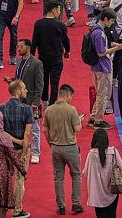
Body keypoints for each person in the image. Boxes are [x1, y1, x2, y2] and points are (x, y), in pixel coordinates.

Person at [42, 84, 84, 215]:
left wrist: (51, 144)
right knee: (76, 175)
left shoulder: (49, 110)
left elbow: (45, 130)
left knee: (58, 178)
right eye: (71, 96)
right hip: (70, 147)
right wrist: (79, 121)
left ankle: (61, 206)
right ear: (68, 95)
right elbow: (77, 129)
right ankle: (76, 203)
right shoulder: (72, 110)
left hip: (55, 147)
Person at [0, 80, 34, 217]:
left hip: (5, 150)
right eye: (24, 88)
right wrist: (24, 152)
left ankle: (3, 209)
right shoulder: (27, 109)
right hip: (20, 150)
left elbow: (0, 131)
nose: (26, 91)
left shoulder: (1, 108)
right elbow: (27, 134)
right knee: (19, 180)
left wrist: (12, 140)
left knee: (5, 179)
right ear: (18, 91)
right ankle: (17, 210)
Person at [31, 1, 71, 105]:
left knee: (43, 80)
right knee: (55, 82)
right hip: (56, 58)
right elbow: (66, 41)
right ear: (53, 10)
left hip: (42, 57)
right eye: (59, 10)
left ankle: (44, 100)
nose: (59, 12)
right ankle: (52, 103)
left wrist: (31, 56)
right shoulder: (60, 25)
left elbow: (34, 41)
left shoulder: (38, 24)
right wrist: (67, 51)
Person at [87, 9, 121, 130]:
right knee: (104, 93)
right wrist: (116, 48)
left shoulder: (95, 30)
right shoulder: (99, 33)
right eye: (111, 21)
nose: (112, 23)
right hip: (102, 67)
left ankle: (94, 117)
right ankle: (98, 120)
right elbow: (101, 52)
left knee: (100, 93)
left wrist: (113, 45)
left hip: (96, 66)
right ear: (105, 19)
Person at [84, 128, 122, 218]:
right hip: (112, 190)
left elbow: (85, 172)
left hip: (97, 193)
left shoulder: (91, 154)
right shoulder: (113, 152)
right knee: (112, 215)